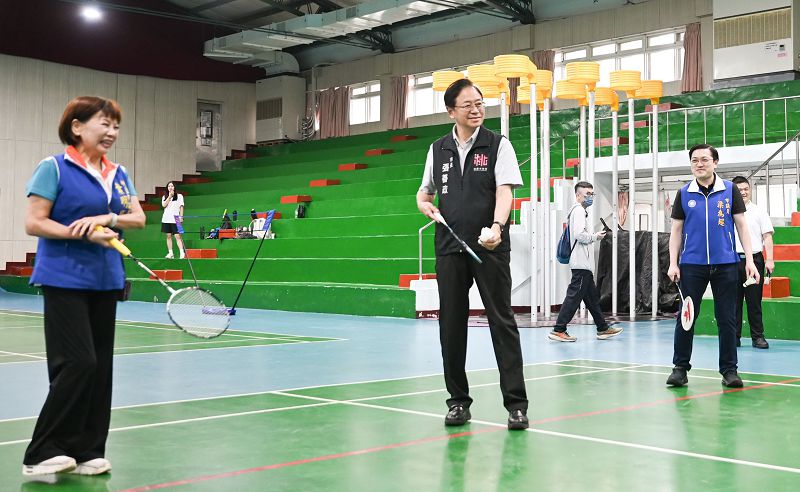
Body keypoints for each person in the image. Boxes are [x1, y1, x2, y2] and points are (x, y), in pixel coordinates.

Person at [22, 96, 146, 476]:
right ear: (76, 126)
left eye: (116, 126)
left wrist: (108, 218)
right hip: (64, 276)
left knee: (100, 368)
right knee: (77, 362)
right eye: (104, 123)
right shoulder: (54, 168)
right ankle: (42, 452)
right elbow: (34, 222)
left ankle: (88, 450)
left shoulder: (118, 173)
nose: (112, 132)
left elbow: (138, 218)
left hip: (106, 278)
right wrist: (81, 233)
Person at [416, 78, 529, 430]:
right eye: (468, 105)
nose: (476, 110)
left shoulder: (498, 144)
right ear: (451, 111)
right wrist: (424, 204)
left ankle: (516, 405)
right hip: (449, 246)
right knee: (451, 324)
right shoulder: (437, 149)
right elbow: (424, 193)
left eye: (479, 103)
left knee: (502, 321)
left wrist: (497, 226)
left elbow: (505, 191)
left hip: (489, 246)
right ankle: (457, 402)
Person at [666, 144, 759, 388]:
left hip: (726, 264)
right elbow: (676, 231)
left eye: (704, 160)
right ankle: (680, 368)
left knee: (727, 318)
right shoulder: (683, 193)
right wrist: (673, 263)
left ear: (715, 163)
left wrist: (749, 260)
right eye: (695, 160)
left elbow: (742, 226)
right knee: (686, 316)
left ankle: (729, 370)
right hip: (692, 265)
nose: (699, 164)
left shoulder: (729, 190)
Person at [549, 182, 623, 342]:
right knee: (573, 297)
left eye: (592, 194)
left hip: (584, 265)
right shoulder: (578, 211)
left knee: (592, 299)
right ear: (578, 195)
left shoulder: (579, 211)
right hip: (581, 264)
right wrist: (595, 237)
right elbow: (579, 235)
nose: (590, 197)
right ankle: (558, 329)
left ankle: (602, 328)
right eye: (587, 194)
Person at [731, 176, 774, 349]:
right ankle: (734, 337)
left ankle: (758, 337)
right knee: (733, 302)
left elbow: (767, 236)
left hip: (755, 260)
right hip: (732, 261)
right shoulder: (727, 212)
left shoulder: (759, 211)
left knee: (754, 302)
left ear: (750, 190)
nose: (743, 192)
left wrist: (770, 259)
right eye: (739, 190)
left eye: (746, 189)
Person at [161, 181, 185, 259]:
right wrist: (169, 197)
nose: (170, 187)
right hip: (166, 219)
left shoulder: (179, 196)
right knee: (168, 236)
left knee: (178, 236)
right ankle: (170, 253)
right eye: (169, 186)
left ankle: (182, 252)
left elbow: (181, 207)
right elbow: (164, 205)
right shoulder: (164, 196)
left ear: (174, 187)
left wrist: (181, 217)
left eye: (172, 186)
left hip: (176, 218)